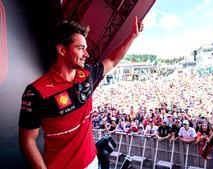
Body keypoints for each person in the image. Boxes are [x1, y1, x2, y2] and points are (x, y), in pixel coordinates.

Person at [18, 16, 143, 169]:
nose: (87, 54)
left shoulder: (87, 74)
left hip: (92, 162)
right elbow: (27, 141)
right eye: (80, 48)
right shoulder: (36, 91)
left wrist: (132, 36)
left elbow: (112, 60)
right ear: (62, 50)